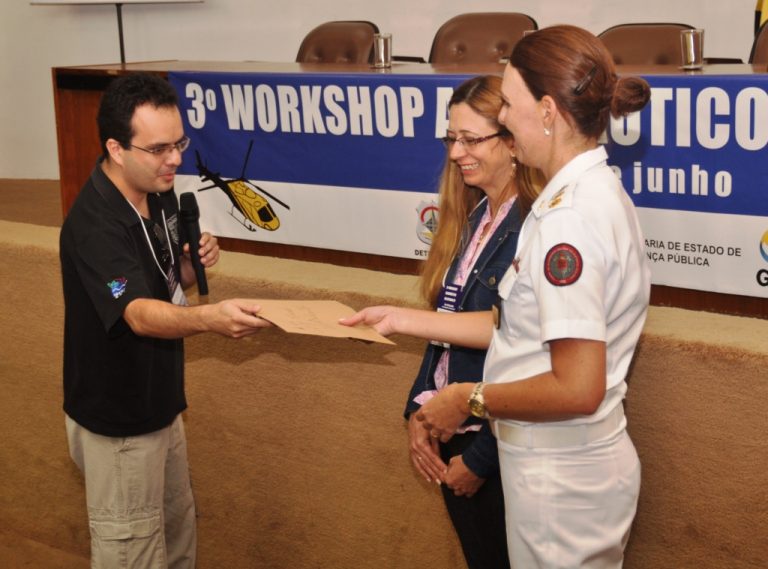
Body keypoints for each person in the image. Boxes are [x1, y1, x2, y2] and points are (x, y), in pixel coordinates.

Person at [341, 25, 651, 568]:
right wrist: (402, 318)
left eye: (509, 103)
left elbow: (577, 386)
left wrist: (467, 398)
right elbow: (513, 328)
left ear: (549, 111)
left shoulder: (568, 221)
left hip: (561, 473)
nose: (503, 117)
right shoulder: (582, 196)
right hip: (562, 463)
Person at [59, 72, 270, 568]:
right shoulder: (93, 226)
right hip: (119, 422)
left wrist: (192, 265)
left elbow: (164, 283)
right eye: (158, 148)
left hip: (162, 405)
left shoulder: (159, 192)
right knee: (131, 553)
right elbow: (136, 312)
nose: (175, 159)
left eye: (179, 143)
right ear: (116, 148)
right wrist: (209, 320)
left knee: (175, 537)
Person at [404, 75, 541, 569]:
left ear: (511, 142)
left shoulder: (532, 226)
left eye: (471, 139)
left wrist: (481, 458)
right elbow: (447, 323)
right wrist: (418, 413)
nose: (457, 152)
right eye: (451, 138)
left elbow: (529, 353)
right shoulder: (479, 214)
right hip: (453, 428)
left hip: (495, 446)